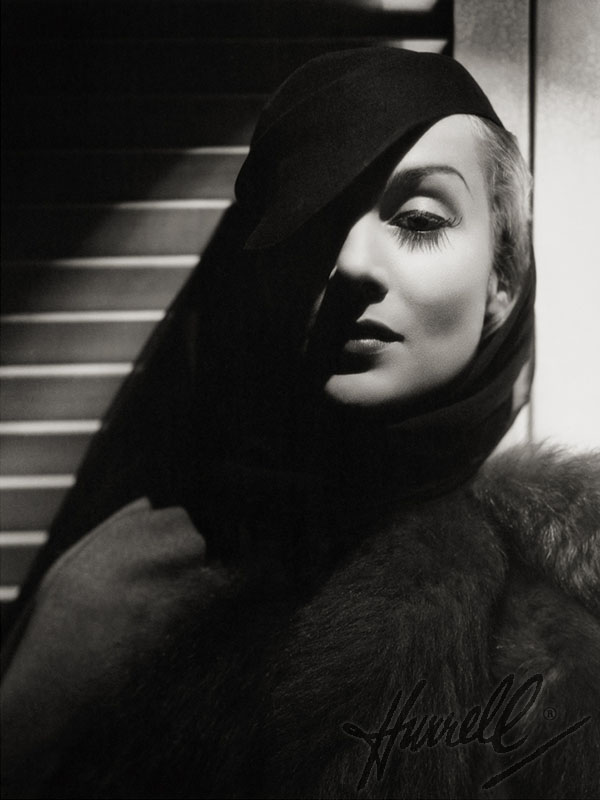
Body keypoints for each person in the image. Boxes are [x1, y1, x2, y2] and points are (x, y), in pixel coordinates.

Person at [1, 47, 598, 799]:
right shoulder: (119, 595)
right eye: (314, 223)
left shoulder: (577, 582)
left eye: (419, 221)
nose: (354, 263)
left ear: (502, 280)